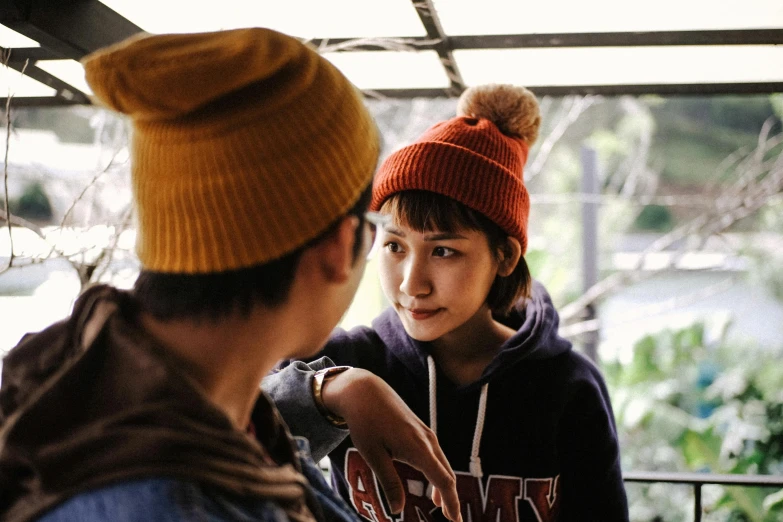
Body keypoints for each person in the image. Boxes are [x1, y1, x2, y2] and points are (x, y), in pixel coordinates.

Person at [0, 28, 461, 522]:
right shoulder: (175, 505)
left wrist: (325, 392)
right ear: (339, 248)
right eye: (378, 236)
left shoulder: (65, 386)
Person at [289, 84, 630, 521]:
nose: (412, 284)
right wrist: (330, 390)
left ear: (504, 256)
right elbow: (215, 429)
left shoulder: (567, 388)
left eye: (444, 251)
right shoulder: (343, 363)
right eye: (395, 246)